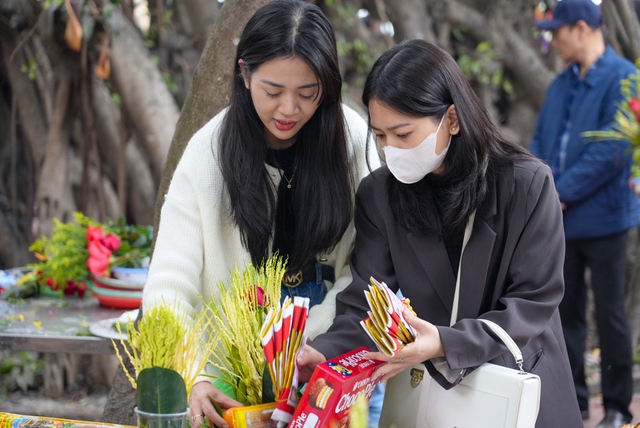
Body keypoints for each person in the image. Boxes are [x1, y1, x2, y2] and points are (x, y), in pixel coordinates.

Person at [296, 39, 583, 427]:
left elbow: (534, 299)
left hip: (521, 385)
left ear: (452, 118)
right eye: (380, 136)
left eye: (403, 134)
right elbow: (365, 301)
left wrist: (448, 343)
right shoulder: (380, 194)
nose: (391, 150)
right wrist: (325, 352)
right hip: (439, 393)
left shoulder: (526, 184)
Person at [141, 1, 381, 427]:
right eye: (273, 92)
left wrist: (318, 342)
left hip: (330, 369)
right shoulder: (207, 155)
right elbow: (169, 286)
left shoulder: (352, 143)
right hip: (231, 386)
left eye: (307, 94)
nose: (288, 109)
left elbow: (372, 265)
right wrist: (191, 375)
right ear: (244, 73)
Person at [530, 1, 639, 426]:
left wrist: (557, 191)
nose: (553, 39)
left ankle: (616, 407)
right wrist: (542, 193)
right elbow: (539, 143)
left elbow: (612, 150)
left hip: (606, 220)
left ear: (581, 29)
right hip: (561, 223)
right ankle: (573, 402)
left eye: (557, 31)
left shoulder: (625, 77)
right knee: (564, 316)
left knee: (610, 314)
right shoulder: (559, 86)